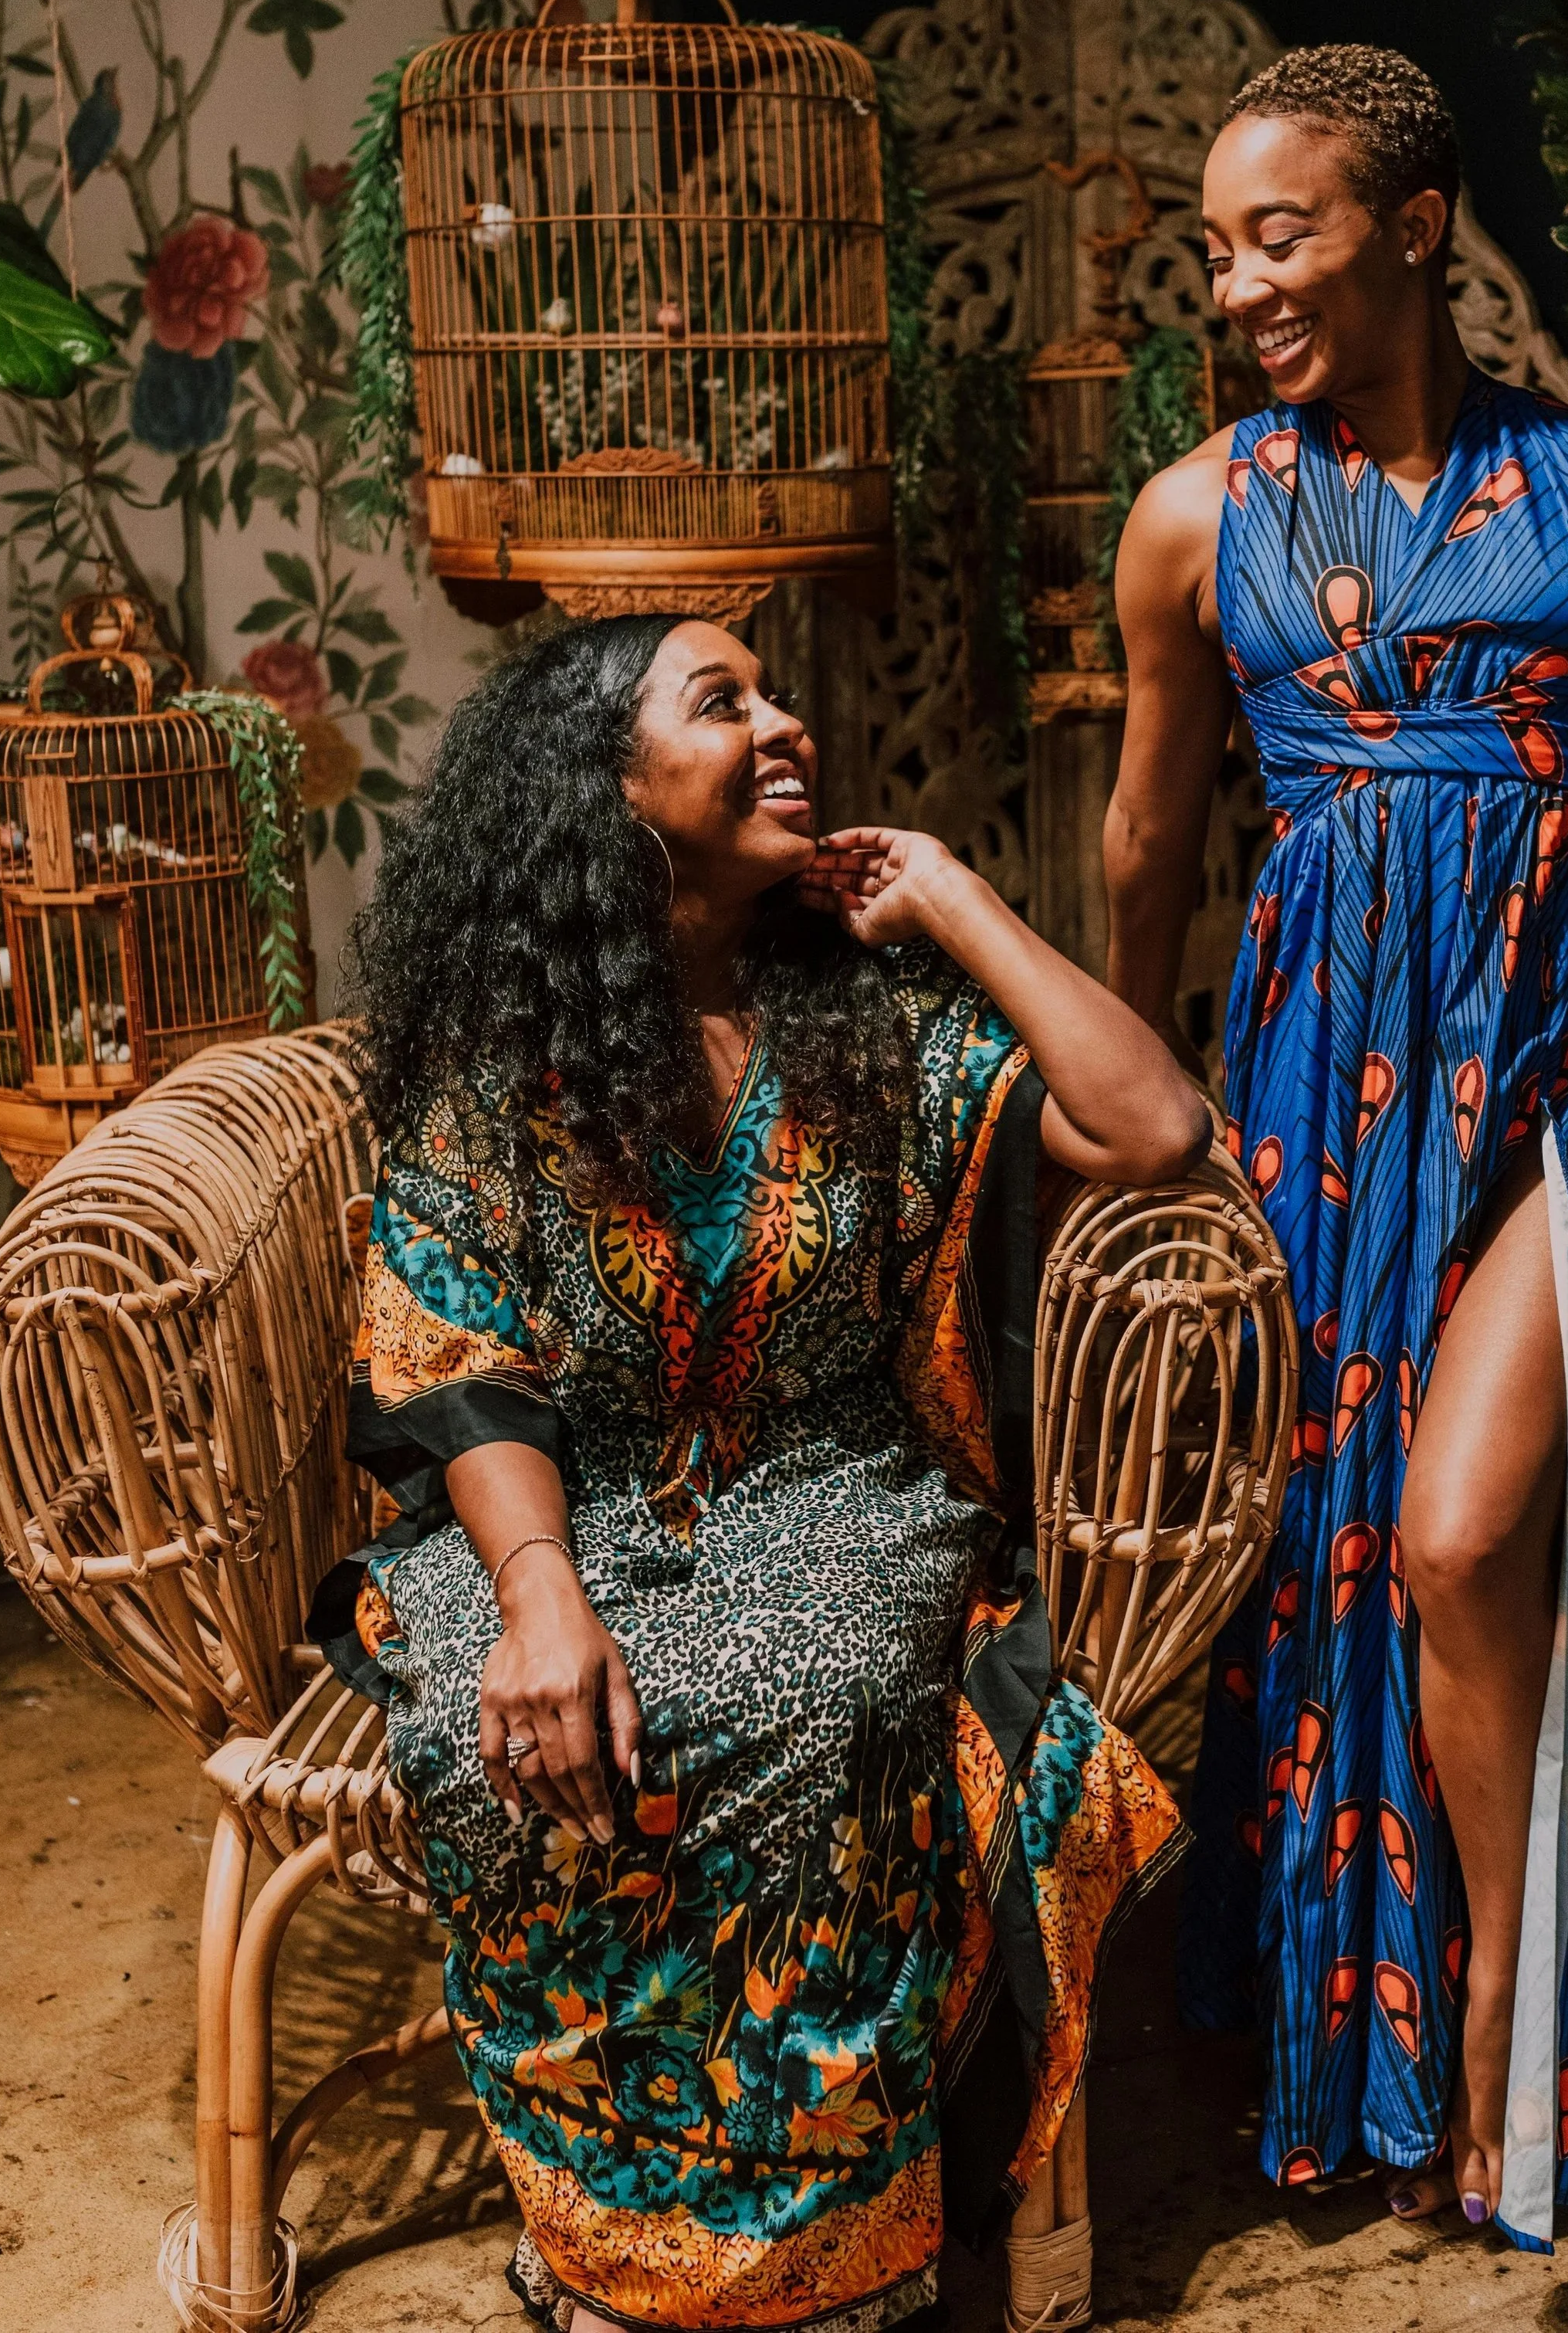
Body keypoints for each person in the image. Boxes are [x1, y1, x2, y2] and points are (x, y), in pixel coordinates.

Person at [317, 612, 1208, 2333]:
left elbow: (1153, 1124)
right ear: (605, 788)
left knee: (828, 1695)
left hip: (833, 1492)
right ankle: (610, 2233)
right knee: (493, 1725)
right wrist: (540, 1598)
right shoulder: (506, 1052)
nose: (784, 723)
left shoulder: (871, 1019)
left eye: (778, 692)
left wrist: (947, 895)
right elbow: (455, 1359)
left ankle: (821, 2273)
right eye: (722, 703)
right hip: (542, 1513)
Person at [1102, 46, 1568, 2251]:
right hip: (1330, 1100)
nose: (1236, 283)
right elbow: (1144, 837)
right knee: (1352, 1547)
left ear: (1412, 220)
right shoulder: (1198, 512)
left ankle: (1506, 1990)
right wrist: (1133, 1125)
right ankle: (1368, 2031)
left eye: (1273, 232)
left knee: (1471, 1535)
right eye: (1214, 247)